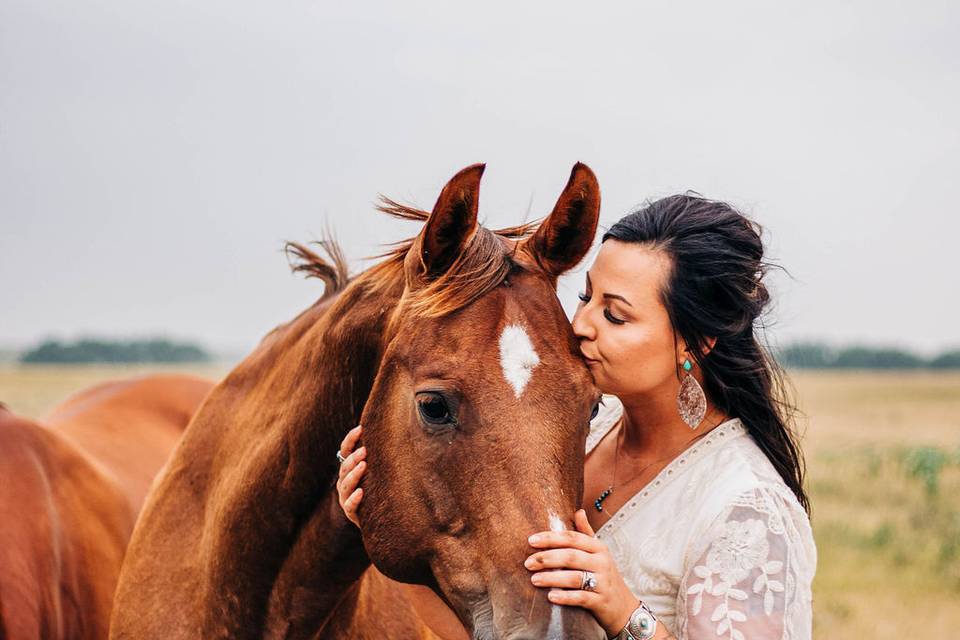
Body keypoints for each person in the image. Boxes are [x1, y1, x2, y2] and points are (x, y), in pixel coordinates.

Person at [336, 194, 816, 639]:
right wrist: (383, 517)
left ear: (697, 341)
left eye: (616, 316)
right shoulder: (579, 432)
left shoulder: (747, 511)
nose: (581, 325)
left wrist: (626, 613)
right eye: (587, 297)